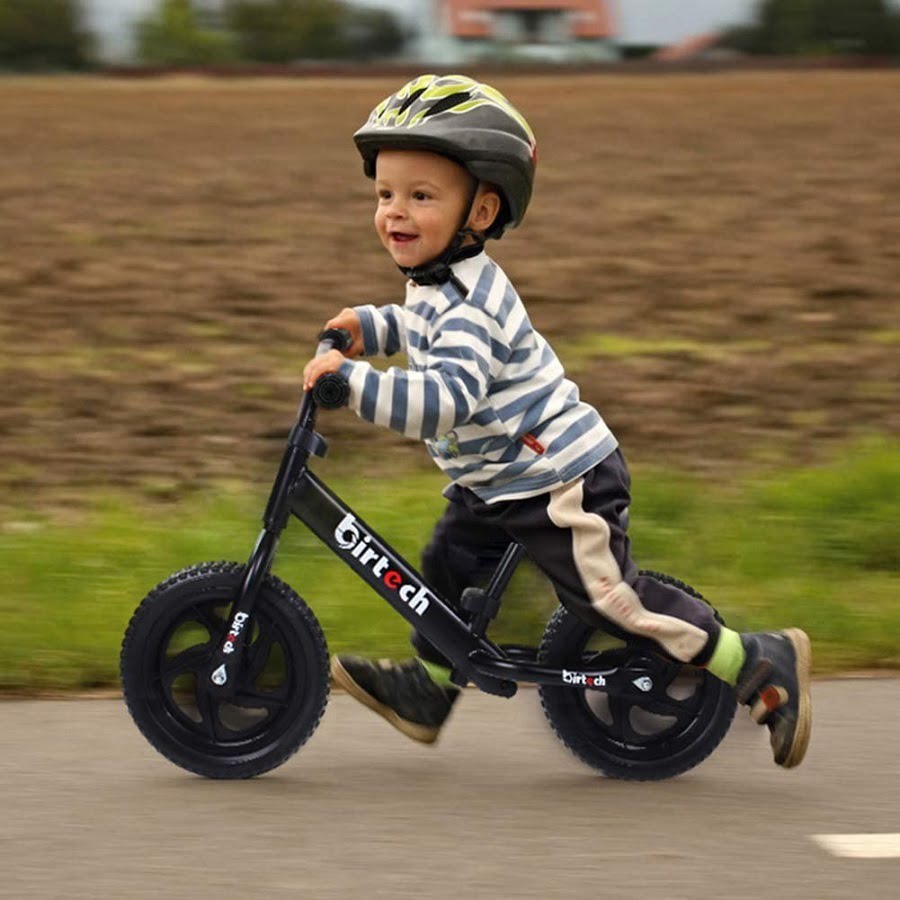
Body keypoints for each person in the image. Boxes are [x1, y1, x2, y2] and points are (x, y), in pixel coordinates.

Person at [302, 74, 812, 768]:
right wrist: (370, 326)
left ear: (480, 211)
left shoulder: (472, 306)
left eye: (421, 196)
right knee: (446, 566)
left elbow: (445, 397)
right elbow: (419, 326)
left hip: (558, 480)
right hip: (500, 476)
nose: (395, 211)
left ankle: (757, 660)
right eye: (385, 194)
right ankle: (431, 690)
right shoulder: (438, 284)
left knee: (613, 602)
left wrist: (351, 385)